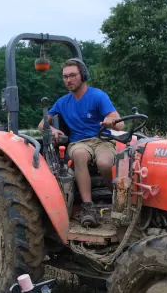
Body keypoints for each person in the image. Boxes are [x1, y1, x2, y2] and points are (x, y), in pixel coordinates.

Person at [39, 58, 120, 228]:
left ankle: (118, 199)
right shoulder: (62, 102)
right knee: (79, 155)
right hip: (79, 142)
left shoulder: (98, 96)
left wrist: (110, 121)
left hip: (102, 140)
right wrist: (53, 130)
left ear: (83, 75)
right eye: (65, 77)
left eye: (72, 75)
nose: (68, 80)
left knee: (105, 162)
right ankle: (88, 207)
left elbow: (120, 123)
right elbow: (42, 124)